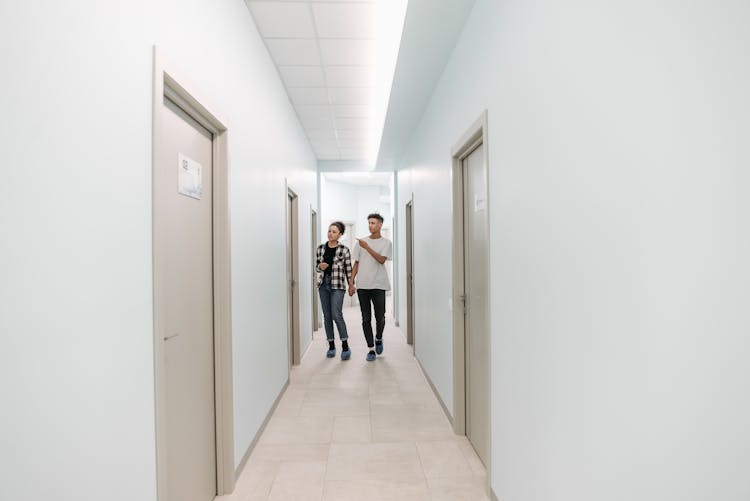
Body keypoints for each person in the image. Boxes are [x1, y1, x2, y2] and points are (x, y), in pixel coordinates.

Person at [348, 213, 393, 362]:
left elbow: (381, 260)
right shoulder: (361, 243)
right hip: (363, 286)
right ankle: (371, 349)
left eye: (373, 223)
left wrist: (367, 247)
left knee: (380, 317)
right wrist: (351, 283)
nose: (370, 225)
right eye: (369, 223)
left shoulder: (386, 243)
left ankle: (378, 338)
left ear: (380, 224)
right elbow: (357, 263)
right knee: (365, 318)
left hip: (379, 285)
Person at [316, 221, 353, 360]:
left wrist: (351, 285)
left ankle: (345, 345)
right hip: (323, 285)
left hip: (337, 285)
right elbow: (317, 268)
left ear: (340, 234)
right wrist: (321, 267)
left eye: (334, 232)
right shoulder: (320, 248)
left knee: (336, 314)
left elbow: (348, 270)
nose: (330, 234)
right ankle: (331, 345)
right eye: (329, 231)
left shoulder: (344, 250)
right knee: (327, 316)